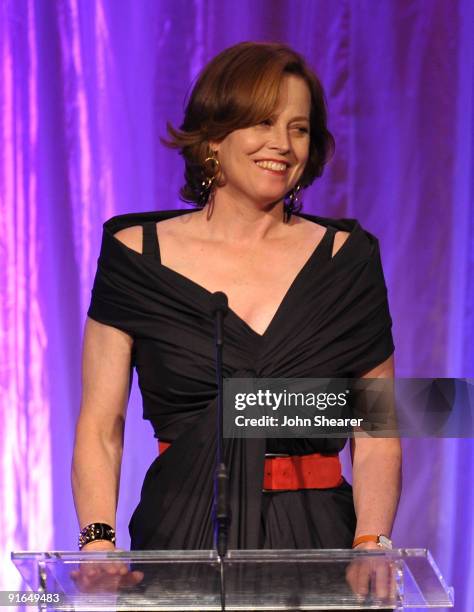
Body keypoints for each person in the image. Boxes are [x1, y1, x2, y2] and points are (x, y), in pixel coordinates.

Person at [71, 41, 401, 597]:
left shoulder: (349, 260)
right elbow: (102, 427)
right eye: (263, 122)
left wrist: (373, 542)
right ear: (213, 136)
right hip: (180, 533)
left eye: (299, 128)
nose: (282, 144)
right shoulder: (135, 254)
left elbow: (377, 428)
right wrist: (97, 541)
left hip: (317, 539)